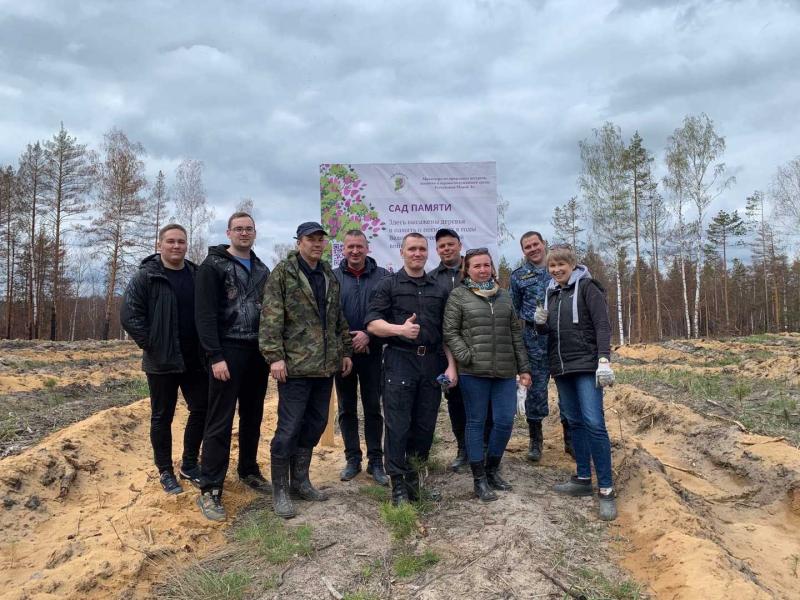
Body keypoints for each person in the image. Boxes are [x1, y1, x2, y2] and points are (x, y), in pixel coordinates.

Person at [260, 222, 354, 519]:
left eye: (320, 239)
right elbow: (271, 317)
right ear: (298, 242)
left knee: (314, 426)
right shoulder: (284, 274)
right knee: (288, 430)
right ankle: (281, 490)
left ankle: (301, 481)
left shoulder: (328, 274)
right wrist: (275, 357)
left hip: (325, 367)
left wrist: (346, 350)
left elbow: (338, 317)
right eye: (310, 239)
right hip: (296, 367)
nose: (316, 244)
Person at [365, 232, 458, 506]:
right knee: (398, 426)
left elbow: (447, 333)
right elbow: (372, 323)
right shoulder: (388, 285)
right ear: (402, 253)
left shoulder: (439, 288)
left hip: (432, 363)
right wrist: (400, 330)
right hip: (399, 361)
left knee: (424, 426)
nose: (417, 254)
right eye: (412, 249)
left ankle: (414, 481)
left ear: (427, 253)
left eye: (421, 249)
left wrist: (452, 367)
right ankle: (398, 488)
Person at [194, 212, 271, 521]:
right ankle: (210, 488)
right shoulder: (212, 267)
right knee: (219, 420)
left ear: (255, 232)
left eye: (248, 229)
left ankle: (248, 469)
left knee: (253, 415)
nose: (243, 233)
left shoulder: (263, 269)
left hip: (257, 352)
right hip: (227, 350)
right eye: (238, 229)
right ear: (228, 232)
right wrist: (215, 355)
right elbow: (205, 314)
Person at [120, 224, 208, 495]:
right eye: (170, 241)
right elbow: (130, 316)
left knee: (202, 409)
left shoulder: (196, 275)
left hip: (194, 359)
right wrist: (154, 345)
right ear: (160, 245)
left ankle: (190, 464)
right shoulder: (146, 277)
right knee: (162, 417)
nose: (176, 246)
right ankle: (165, 471)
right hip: (161, 361)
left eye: (181, 241)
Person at [534, 244, 616, 521]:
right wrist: (540, 323)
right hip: (561, 368)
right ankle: (582, 478)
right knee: (575, 422)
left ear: (572, 265)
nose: (556, 270)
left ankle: (606, 488)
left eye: (561, 265)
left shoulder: (588, 287)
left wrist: (604, 359)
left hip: (586, 366)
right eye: (552, 266)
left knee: (594, 423)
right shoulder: (552, 293)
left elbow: (602, 325)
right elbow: (550, 332)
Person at [443, 248, 531, 502]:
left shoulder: (504, 297)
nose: (482, 270)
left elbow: (516, 334)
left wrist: (523, 368)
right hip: (474, 372)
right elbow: (450, 332)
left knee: (504, 421)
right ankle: (479, 479)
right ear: (467, 270)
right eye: (476, 266)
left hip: (504, 371)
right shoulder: (459, 296)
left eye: (486, 265)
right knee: (476, 422)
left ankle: (493, 469)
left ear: (492, 268)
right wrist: (466, 355)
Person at [510, 231, 573, 462]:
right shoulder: (519, 277)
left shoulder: (559, 267)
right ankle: (535, 441)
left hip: (562, 339)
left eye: (536, 244)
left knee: (567, 388)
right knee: (535, 392)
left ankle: (570, 439)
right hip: (533, 341)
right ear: (523, 251)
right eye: (527, 247)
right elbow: (513, 311)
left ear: (543, 244)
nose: (533, 249)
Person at [333, 230, 389, 485]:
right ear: (343, 250)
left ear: (368, 248)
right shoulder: (332, 278)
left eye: (359, 246)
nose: (355, 251)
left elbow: (390, 316)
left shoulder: (383, 278)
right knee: (346, 408)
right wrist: (347, 343)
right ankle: (352, 458)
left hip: (373, 353)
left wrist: (368, 335)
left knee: (373, 408)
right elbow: (327, 318)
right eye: (350, 246)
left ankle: (375, 461)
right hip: (343, 356)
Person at [428, 228, 469, 472]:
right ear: (437, 250)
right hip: (446, 350)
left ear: (459, 245)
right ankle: (463, 449)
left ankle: (482, 449)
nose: (447, 249)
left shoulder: (474, 271)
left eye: (450, 244)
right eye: (442, 246)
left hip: (476, 347)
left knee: (481, 400)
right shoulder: (432, 278)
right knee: (455, 400)